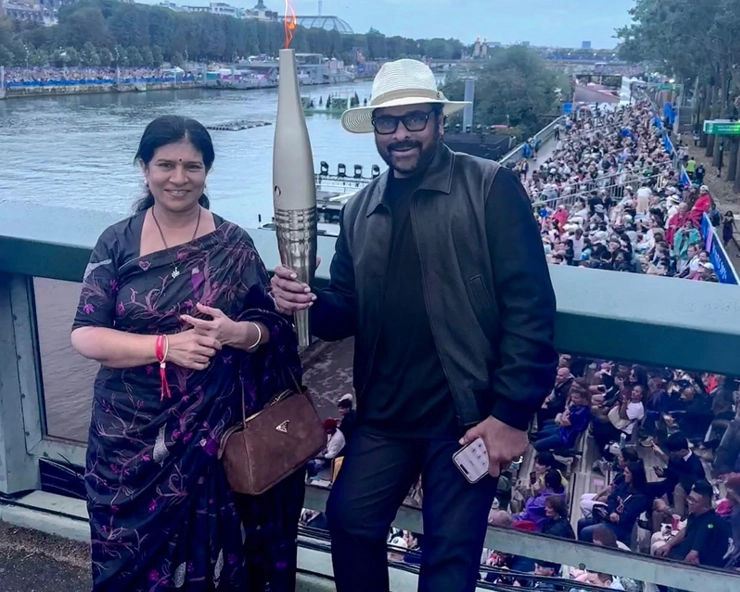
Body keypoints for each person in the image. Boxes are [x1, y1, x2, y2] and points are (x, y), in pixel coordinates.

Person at [271, 59, 558, 592]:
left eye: (414, 120)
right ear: (376, 131)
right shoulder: (361, 210)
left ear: (438, 122)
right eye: (388, 122)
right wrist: (301, 301)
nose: (400, 134)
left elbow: (531, 307)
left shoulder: (490, 188)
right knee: (349, 520)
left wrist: (511, 415)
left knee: (449, 562)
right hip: (385, 414)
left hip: (467, 417)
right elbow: (346, 309)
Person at [71, 115, 304, 591]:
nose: (178, 178)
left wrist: (235, 333)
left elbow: (274, 331)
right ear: (144, 168)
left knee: (213, 558)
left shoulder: (234, 245)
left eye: (192, 167)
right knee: (124, 562)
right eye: (166, 165)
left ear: (207, 171)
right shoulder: (117, 241)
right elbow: (86, 335)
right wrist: (166, 347)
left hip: (210, 434)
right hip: (127, 440)